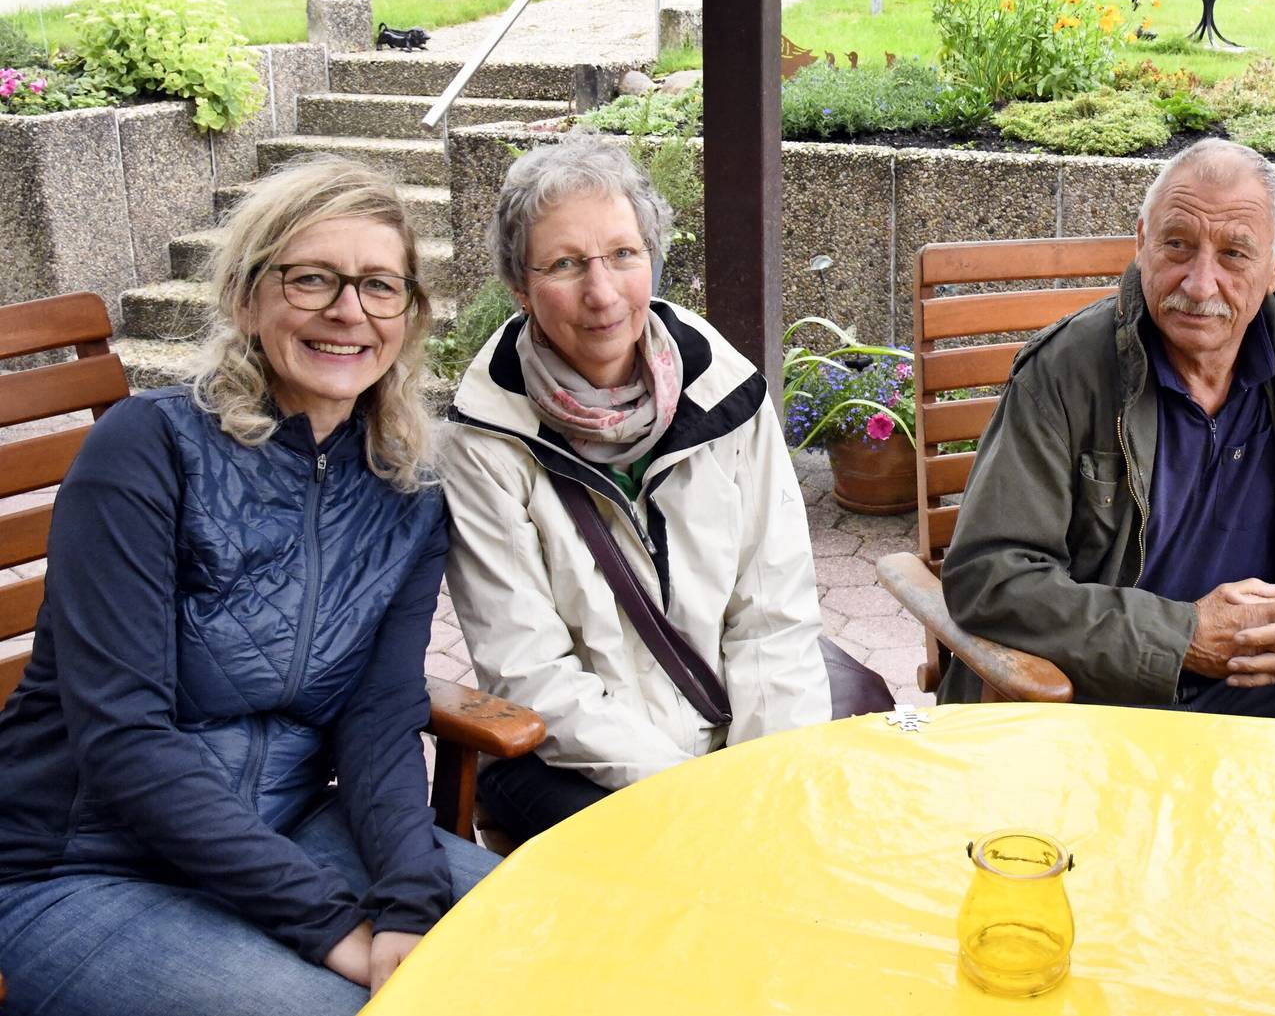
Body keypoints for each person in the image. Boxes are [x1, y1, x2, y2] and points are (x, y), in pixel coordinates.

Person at [0, 159, 495, 1016]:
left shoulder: (408, 491)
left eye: (380, 285)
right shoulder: (148, 448)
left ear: (409, 317)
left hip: (292, 827)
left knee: (540, 947)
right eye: (312, 278)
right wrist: (335, 927)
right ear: (244, 298)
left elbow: (379, 720)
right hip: (77, 865)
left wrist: (408, 904)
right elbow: (124, 737)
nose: (349, 310)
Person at [938, 138, 1275, 715]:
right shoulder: (1063, 374)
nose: (1199, 285)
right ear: (1141, 242)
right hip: (1102, 699)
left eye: (1234, 254)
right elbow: (993, 574)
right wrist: (1182, 637)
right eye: (1177, 244)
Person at [442, 141, 829, 842]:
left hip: (731, 734)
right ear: (520, 287)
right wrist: (690, 796)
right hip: (577, 764)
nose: (602, 292)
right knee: (675, 868)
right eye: (565, 264)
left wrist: (764, 775)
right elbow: (530, 672)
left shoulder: (727, 394)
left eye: (623, 254)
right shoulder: (485, 438)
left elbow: (773, 613)